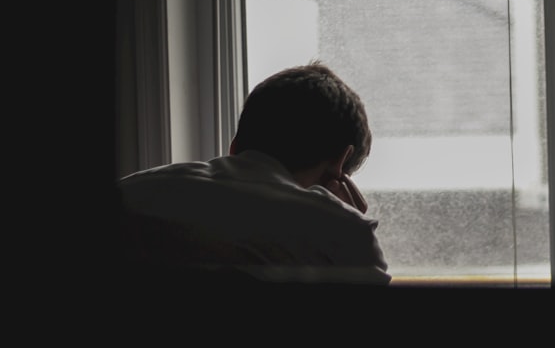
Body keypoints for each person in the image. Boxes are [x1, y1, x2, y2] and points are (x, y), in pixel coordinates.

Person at [116, 60, 390, 286]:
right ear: (339, 165)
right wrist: (345, 218)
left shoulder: (129, 193)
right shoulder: (342, 235)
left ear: (234, 146)